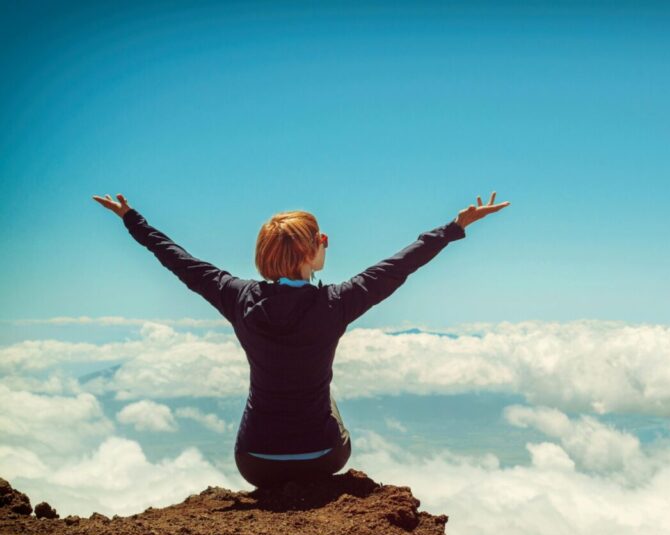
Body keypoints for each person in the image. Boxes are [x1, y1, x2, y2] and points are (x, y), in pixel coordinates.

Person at [91, 191, 511, 489]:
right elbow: (400, 266)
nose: (326, 243)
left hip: (255, 463)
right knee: (324, 393)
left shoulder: (235, 297)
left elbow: (176, 258)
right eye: (321, 239)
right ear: (311, 251)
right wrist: (455, 227)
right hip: (323, 458)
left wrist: (132, 219)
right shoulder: (338, 303)